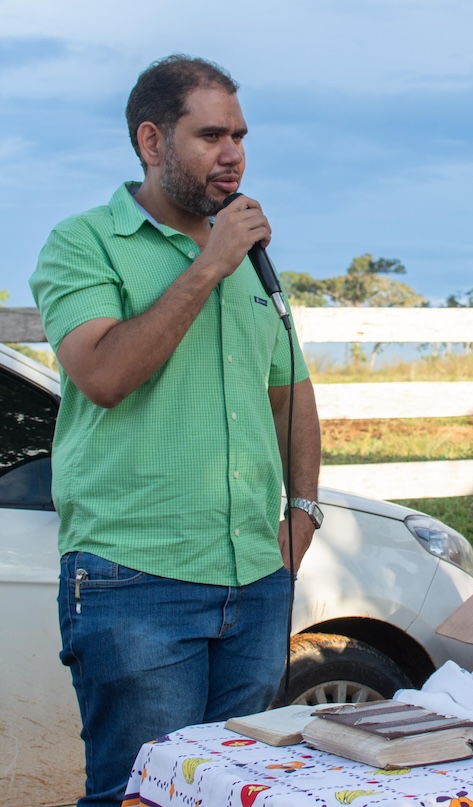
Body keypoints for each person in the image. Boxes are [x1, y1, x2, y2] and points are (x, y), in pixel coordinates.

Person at [28, 55, 322, 807]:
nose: (234, 154)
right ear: (152, 140)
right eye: (211, 135)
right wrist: (209, 264)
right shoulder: (83, 243)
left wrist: (303, 511)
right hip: (136, 582)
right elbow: (103, 373)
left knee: (237, 793)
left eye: (241, 136)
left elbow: (289, 390)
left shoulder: (252, 259)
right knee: (142, 796)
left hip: (255, 583)